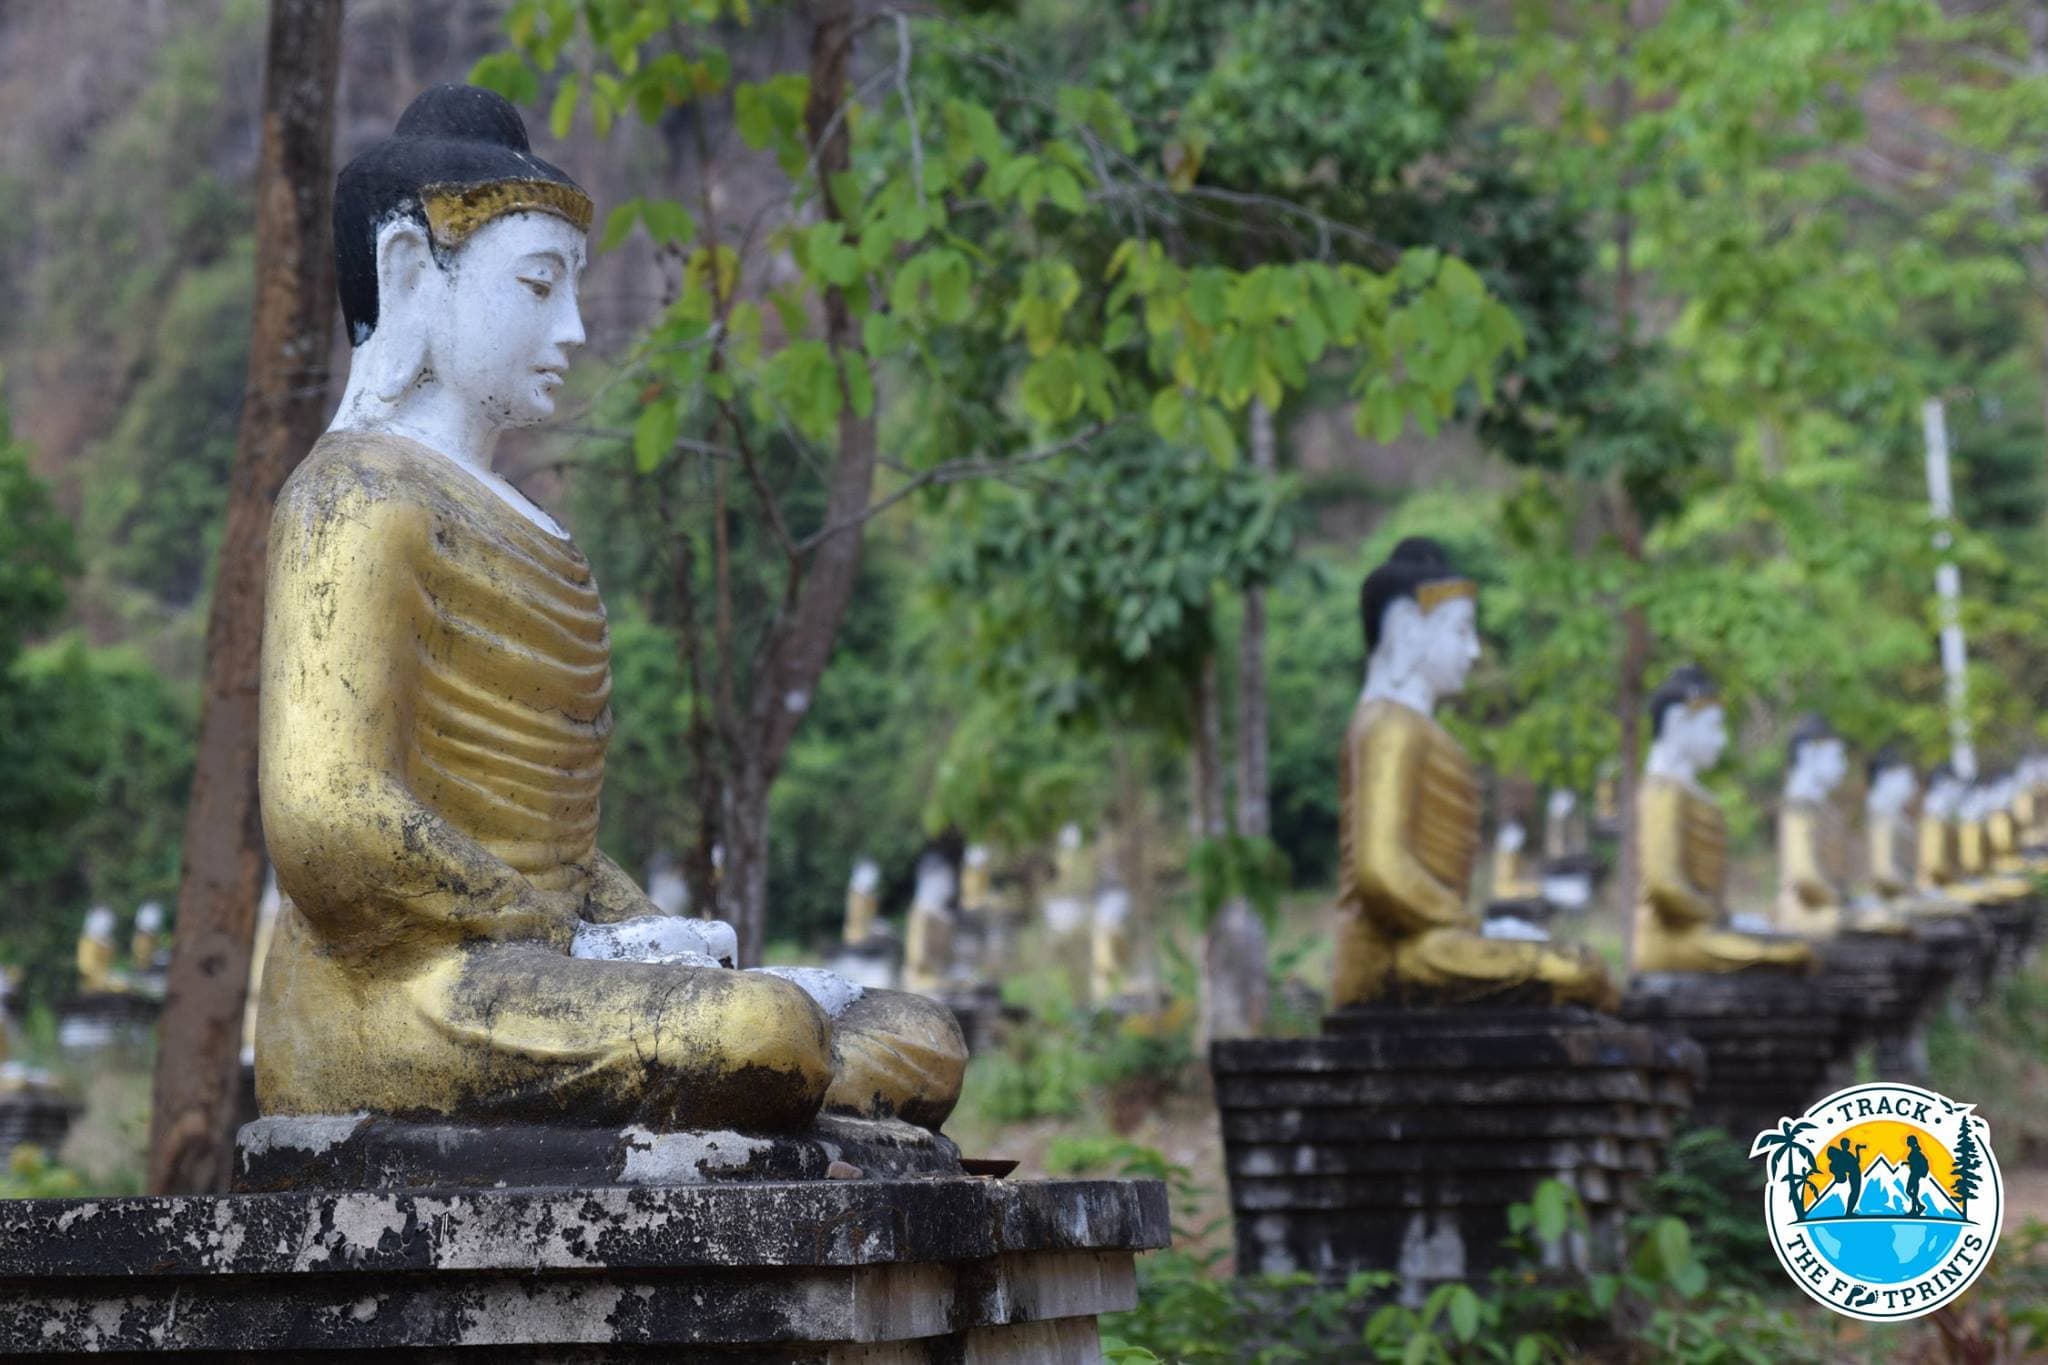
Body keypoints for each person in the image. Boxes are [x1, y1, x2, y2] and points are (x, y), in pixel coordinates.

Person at [255, 85, 965, 1134]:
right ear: (412, 272)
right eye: (538, 287)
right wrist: (559, 936)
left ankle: (779, 1063)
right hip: (398, 992)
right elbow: (324, 819)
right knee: (764, 1035)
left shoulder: (525, 527)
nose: (574, 328)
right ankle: (770, 1061)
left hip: (529, 973)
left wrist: (653, 932)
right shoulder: (354, 498)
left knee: (915, 1035)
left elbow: (557, 847)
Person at [1824, 1137, 1863, 1216]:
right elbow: (1856, 1162)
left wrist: (1857, 1150)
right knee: (1855, 1193)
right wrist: (1857, 1150)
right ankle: (1849, 1212)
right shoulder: (1845, 1154)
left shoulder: (1844, 1154)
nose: (1849, 1145)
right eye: (1848, 1144)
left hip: (1854, 1174)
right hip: (1854, 1174)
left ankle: (1849, 1211)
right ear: (1844, 1145)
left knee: (1854, 1193)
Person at [1904, 1134, 1930, 1217]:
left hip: (1915, 1174)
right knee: (1913, 1192)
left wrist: (1909, 1163)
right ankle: (1917, 1208)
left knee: (1909, 1191)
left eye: (1908, 1141)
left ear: (1911, 1142)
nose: (1906, 1142)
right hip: (1915, 1174)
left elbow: (1915, 1163)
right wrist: (1907, 1163)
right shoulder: (1914, 1151)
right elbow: (1914, 1162)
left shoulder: (1915, 1151)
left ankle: (1917, 1208)